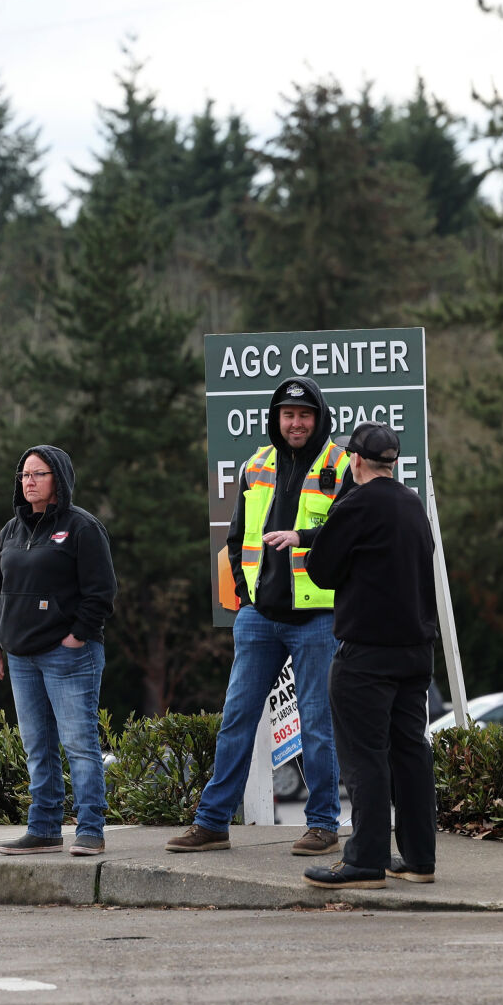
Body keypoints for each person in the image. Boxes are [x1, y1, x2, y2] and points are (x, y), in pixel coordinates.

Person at [168, 377, 348, 857]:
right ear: (276, 418)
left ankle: (323, 825)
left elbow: (352, 539)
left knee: (317, 723)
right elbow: (235, 539)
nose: (296, 423)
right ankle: (211, 822)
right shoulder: (255, 465)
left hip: (319, 618)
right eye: (288, 414)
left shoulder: (342, 466)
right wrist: (247, 600)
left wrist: (303, 540)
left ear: (319, 418)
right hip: (259, 619)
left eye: (304, 415)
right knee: (236, 719)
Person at [298, 422, 439, 890]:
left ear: (355, 460)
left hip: (366, 654)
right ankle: (419, 859)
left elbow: (321, 571)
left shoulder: (355, 503)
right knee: (409, 753)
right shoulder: (412, 503)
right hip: (416, 652)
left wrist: (335, 512)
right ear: (392, 463)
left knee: (365, 758)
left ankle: (365, 860)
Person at [0, 446, 117, 857]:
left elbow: (102, 593)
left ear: (58, 478)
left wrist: (77, 636)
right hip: (20, 657)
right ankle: (43, 828)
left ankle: (91, 828)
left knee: (79, 745)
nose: (28, 481)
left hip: (69, 655)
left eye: (38, 474)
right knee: (37, 747)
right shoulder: (11, 531)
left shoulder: (82, 528)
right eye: (24, 474)